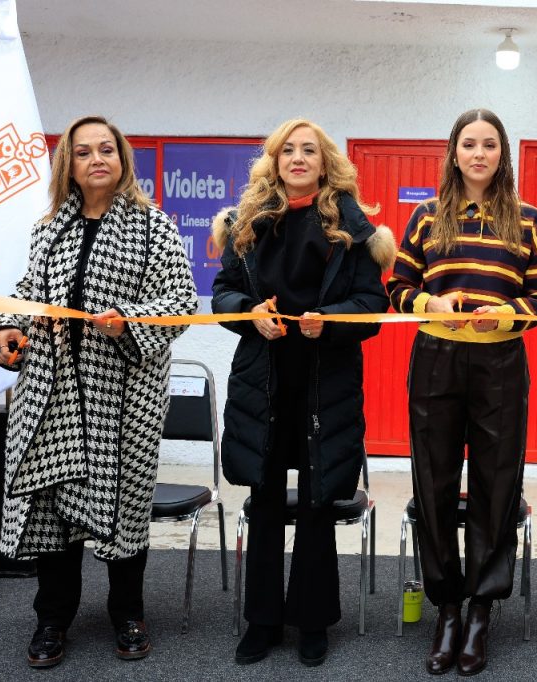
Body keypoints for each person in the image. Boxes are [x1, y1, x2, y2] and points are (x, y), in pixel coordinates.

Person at [0, 115, 197, 668]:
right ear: (69, 165)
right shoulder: (48, 229)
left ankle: (128, 614)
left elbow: (180, 302)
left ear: (122, 159)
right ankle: (52, 620)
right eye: (83, 152)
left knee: (123, 508)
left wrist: (126, 321)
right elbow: (29, 292)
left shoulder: (153, 226)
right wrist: (7, 329)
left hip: (124, 397)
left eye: (106, 149)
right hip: (52, 395)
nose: (96, 159)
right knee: (53, 508)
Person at [211, 117, 395, 667]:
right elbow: (223, 292)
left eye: (308, 150)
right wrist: (249, 313)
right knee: (264, 501)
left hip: (325, 388)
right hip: (263, 384)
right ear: (274, 161)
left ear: (324, 161)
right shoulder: (247, 224)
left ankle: (312, 621)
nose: (297, 158)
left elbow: (372, 306)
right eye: (287, 150)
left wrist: (329, 320)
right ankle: (263, 621)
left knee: (318, 505)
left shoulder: (353, 227)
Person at [386, 108, 537, 677]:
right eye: (469, 144)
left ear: (502, 153)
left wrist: (508, 313)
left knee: (496, 483)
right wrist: (429, 303)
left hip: (500, 362)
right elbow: (397, 286)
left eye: (489, 144)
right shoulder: (427, 216)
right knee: (433, 482)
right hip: (436, 358)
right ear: (453, 153)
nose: (479, 154)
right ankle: (448, 607)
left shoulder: (528, 220)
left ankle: (481, 608)